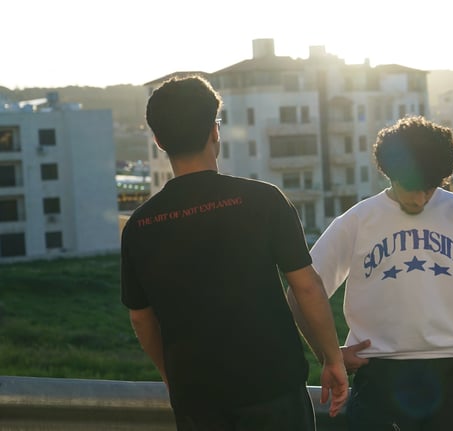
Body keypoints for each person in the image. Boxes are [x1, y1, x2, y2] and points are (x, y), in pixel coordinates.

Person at [120, 75, 348, 430]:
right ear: (215, 131)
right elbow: (307, 287)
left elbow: (140, 318)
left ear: (159, 140)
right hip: (274, 387)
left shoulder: (140, 225)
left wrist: (171, 376)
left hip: (197, 398)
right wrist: (333, 359)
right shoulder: (264, 200)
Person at [294, 115, 453, 430]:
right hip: (381, 373)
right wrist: (328, 355)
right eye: (410, 188)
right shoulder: (357, 221)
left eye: (429, 188)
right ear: (389, 173)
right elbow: (302, 290)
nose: (420, 199)